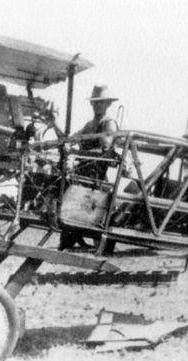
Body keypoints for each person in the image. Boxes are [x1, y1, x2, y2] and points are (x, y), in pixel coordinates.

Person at [59, 85, 120, 251]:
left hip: (96, 174)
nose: (96, 106)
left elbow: (105, 150)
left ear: (108, 104)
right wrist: (63, 141)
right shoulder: (90, 124)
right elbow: (74, 137)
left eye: (100, 103)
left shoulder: (108, 124)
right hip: (83, 171)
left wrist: (76, 151)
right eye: (95, 103)